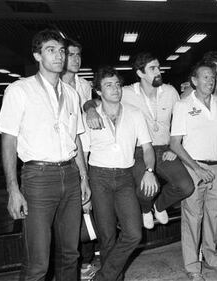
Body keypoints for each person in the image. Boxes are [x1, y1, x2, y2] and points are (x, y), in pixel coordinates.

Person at [0, 29, 91, 280]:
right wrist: (13, 190)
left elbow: (77, 139)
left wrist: (83, 178)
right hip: (38, 178)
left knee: (70, 254)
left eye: (61, 51)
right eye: (51, 50)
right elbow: (8, 141)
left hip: (70, 175)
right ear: (37, 55)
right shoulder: (19, 90)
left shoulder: (72, 94)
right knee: (38, 261)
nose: (59, 56)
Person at [84, 52, 194, 229]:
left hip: (165, 149)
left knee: (186, 186)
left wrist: (175, 148)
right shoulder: (125, 92)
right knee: (146, 189)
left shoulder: (170, 91)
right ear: (140, 73)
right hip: (139, 151)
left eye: (159, 67)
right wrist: (90, 110)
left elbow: (180, 121)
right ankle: (145, 208)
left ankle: (158, 206)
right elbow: (95, 101)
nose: (159, 71)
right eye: (153, 68)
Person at [81, 66, 158, 281]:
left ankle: (102, 278)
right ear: (98, 91)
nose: (115, 89)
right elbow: (83, 152)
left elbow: (148, 147)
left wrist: (149, 171)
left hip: (124, 177)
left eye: (117, 84)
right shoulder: (90, 116)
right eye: (108, 85)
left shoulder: (134, 114)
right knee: (107, 238)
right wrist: (84, 182)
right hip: (99, 177)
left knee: (133, 233)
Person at [170, 62, 217, 281]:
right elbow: (175, 144)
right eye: (205, 77)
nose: (210, 81)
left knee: (214, 217)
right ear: (194, 80)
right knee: (192, 219)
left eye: (213, 77)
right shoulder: (183, 105)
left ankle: (213, 259)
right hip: (194, 169)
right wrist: (197, 168)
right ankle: (193, 268)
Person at [60, 37, 99, 280]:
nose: (76, 59)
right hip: (63, 156)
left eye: (78, 55)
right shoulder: (53, 86)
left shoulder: (83, 85)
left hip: (86, 153)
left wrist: (91, 106)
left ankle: (85, 261)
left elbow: (89, 103)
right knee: (69, 213)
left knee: (87, 206)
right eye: (71, 54)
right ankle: (71, 262)